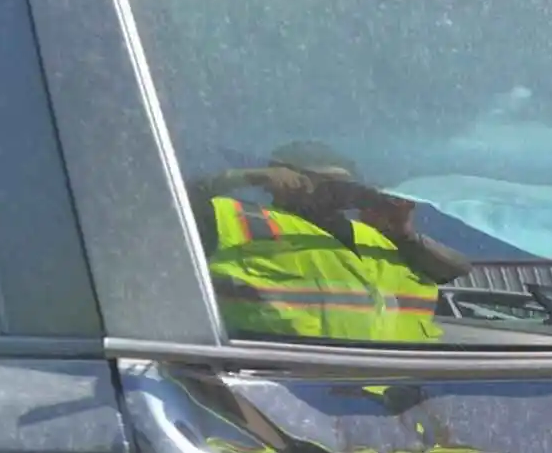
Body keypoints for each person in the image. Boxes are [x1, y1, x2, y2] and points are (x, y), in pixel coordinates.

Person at [187, 143, 470, 343]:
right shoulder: (235, 218)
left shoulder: (380, 237)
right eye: (325, 183)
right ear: (281, 180)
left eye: (344, 186)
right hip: (285, 392)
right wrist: (248, 176)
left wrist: (404, 234)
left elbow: (455, 269)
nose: (336, 195)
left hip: (404, 394)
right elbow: (165, 203)